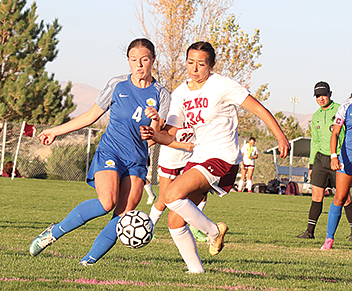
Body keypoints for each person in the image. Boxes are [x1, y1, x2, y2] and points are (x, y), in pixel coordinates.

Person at [140, 41, 290, 273]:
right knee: (175, 221)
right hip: (198, 157)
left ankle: (213, 232)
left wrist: (280, 136)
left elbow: (258, 109)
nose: (194, 68)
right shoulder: (180, 93)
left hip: (222, 158)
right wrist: (154, 134)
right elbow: (169, 135)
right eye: (190, 62)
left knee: (170, 194)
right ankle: (196, 272)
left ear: (211, 65)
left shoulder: (222, 85)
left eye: (201, 64)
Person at [29, 38, 170, 265]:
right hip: (111, 152)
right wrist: (55, 131)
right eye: (133, 60)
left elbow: (155, 137)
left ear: (153, 60)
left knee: (123, 215)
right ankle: (53, 233)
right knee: (106, 202)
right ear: (128, 61)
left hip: (137, 161)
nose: (139, 65)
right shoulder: (117, 84)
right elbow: (89, 116)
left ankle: (88, 262)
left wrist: (153, 126)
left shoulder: (162, 94)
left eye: (144, 59)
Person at [298, 82, 352, 240]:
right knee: (316, 195)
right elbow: (314, 141)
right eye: (317, 96)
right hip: (320, 159)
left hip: (338, 158)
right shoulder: (315, 116)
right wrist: (311, 165)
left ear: (330, 93)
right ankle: (309, 232)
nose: (321, 98)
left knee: (344, 197)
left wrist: (339, 155)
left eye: (324, 95)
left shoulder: (341, 108)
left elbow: (341, 134)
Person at [149, 123, 207, 242]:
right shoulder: (173, 113)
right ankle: (148, 228)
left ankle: (195, 227)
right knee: (163, 200)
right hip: (171, 160)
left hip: (190, 159)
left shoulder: (197, 112)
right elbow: (161, 138)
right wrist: (184, 146)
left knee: (201, 195)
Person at [321, 94, 352, 249]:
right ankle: (329, 239)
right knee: (340, 197)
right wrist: (334, 156)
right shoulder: (346, 106)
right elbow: (335, 133)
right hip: (347, 160)